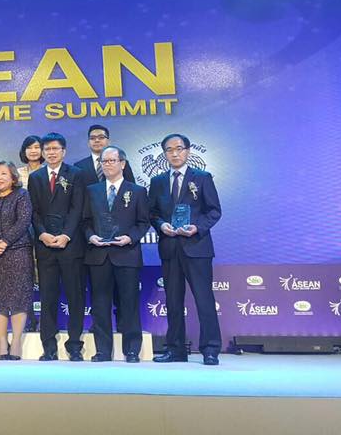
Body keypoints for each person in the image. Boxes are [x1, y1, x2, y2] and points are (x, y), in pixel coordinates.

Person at [149, 133, 223, 366]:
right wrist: (162, 225)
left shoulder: (202, 178)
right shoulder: (158, 181)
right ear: (164, 154)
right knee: (172, 301)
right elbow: (152, 213)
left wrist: (197, 227)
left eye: (179, 148)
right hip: (170, 247)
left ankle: (210, 349)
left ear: (188, 151)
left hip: (197, 248)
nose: (175, 153)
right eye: (169, 150)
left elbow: (214, 211)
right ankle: (175, 349)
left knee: (204, 300)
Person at [83, 146, 149, 363]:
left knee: (129, 304)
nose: (108, 165)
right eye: (104, 161)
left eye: (112, 160)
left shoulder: (137, 191)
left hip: (126, 254)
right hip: (98, 255)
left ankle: (132, 350)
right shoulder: (91, 190)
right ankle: (103, 350)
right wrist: (90, 236)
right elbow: (85, 221)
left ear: (123, 163)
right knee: (100, 305)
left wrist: (130, 237)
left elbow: (143, 222)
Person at [28, 132, 87, 361]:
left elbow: (77, 208)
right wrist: (42, 233)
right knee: (47, 298)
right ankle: (49, 346)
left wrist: (66, 235)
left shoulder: (76, 174)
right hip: (45, 246)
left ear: (64, 151)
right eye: (47, 149)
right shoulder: (36, 177)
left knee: (75, 297)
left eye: (55, 149)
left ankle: (75, 346)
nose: (51, 153)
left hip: (70, 245)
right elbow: (33, 211)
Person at [0, 161, 34, 360]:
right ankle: (2, 343)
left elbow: (23, 221)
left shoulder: (22, 195)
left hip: (18, 252)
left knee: (19, 297)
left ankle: (17, 341)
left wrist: (5, 241)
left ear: (13, 178)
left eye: (4, 174)